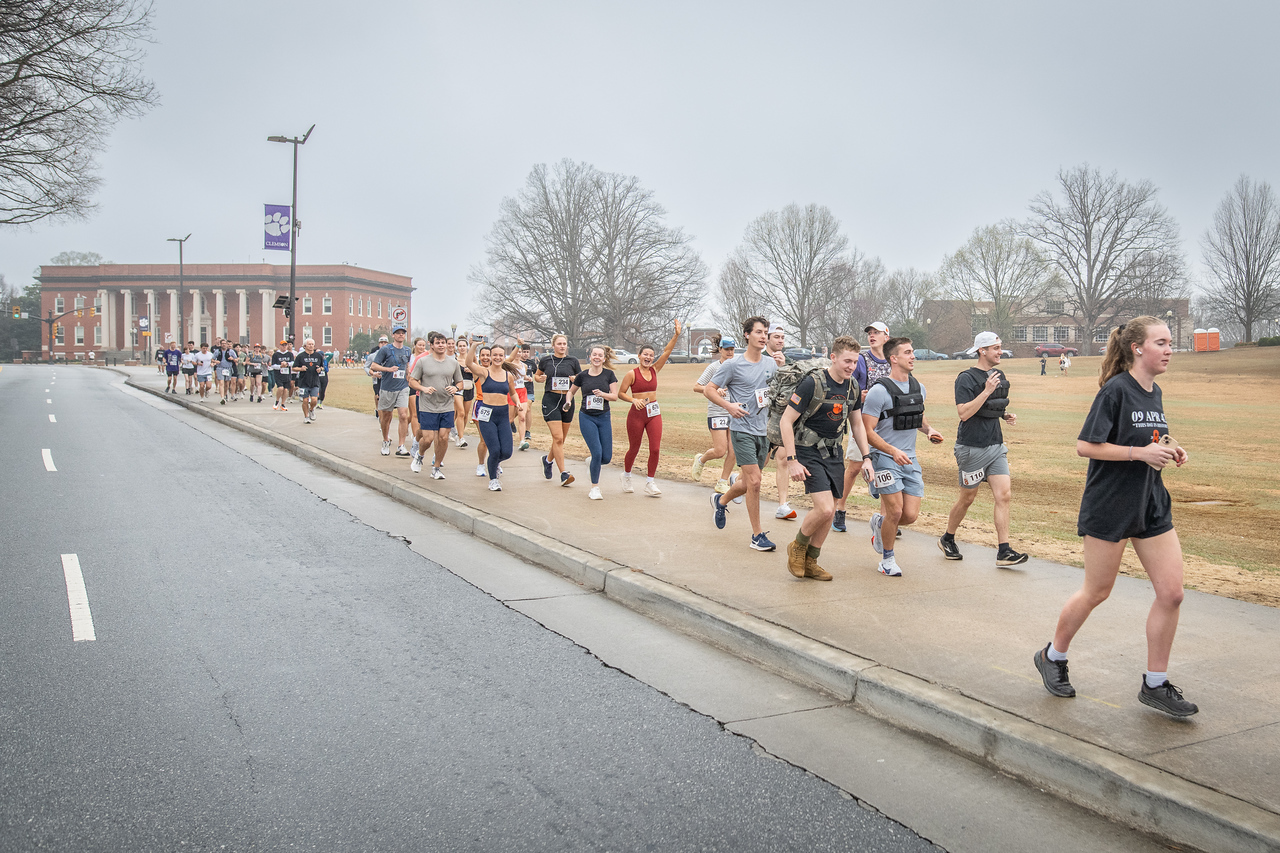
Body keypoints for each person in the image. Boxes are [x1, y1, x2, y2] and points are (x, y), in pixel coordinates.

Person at [1034, 317, 1197, 717]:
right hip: (1110, 505)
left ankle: (1155, 684)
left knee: (1172, 592)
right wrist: (1139, 454)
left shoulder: (1153, 392)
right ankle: (1053, 656)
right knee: (1097, 591)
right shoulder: (1116, 390)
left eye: (1170, 342)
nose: (1169, 349)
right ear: (1138, 348)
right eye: (1162, 342)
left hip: (1150, 503)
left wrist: (1170, 450)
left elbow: (1150, 439)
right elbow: (1085, 446)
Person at [780, 336, 875, 581]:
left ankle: (811, 561)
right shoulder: (812, 383)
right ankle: (798, 546)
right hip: (807, 450)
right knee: (823, 508)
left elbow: (857, 424)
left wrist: (867, 457)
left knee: (831, 512)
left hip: (834, 453)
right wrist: (792, 460)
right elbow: (786, 421)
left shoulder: (853, 387)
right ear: (833, 357)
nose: (851, 366)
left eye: (855, 361)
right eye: (847, 360)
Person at [938, 332, 1029, 566]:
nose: (1000, 351)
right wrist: (986, 390)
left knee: (1004, 495)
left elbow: (990, 408)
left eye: (1000, 347)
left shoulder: (999, 375)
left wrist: (1004, 414)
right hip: (971, 447)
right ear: (982, 351)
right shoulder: (966, 378)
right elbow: (964, 413)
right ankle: (948, 538)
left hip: (996, 446)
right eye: (995, 348)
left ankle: (1004, 551)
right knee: (967, 498)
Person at [861, 337, 943, 577]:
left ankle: (879, 523)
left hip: (909, 459)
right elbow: (867, 431)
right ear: (893, 358)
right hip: (884, 457)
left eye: (913, 352)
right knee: (895, 512)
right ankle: (887, 560)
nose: (913, 356)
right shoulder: (879, 391)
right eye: (907, 352)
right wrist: (891, 451)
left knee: (910, 516)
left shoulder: (919, 387)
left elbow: (917, 415)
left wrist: (929, 430)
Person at [704, 316, 779, 553]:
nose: (763, 336)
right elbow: (709, 389)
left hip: (764, 431)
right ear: (747, 335)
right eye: (758, 332)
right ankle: (757, 536)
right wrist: (730, 407)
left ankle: (721, 500)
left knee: (747, 482)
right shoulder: (732, 364)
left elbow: (777, 394)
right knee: (755, 482)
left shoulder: (771, 364)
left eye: (765, 332)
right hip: (742, 429)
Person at [833, 321, 892, 533]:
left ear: (887, 336)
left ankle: (887, 518)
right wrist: (861, 394)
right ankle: (840, 507)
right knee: (855, 466)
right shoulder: (861, 360)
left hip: (888, 423)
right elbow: (849, 385)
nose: (872, 336)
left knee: (888, 469)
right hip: (864, 420)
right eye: (870, 333)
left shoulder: (893, 359)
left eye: (877, 332)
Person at [617, 319, 682, 496]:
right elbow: (620, 393)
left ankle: (650, 482)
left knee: (655, 448)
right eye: (645, 354)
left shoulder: (654, 370)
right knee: (634, 448)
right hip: (636, 414)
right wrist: (632, 400)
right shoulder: (632, 374)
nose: (648, 357)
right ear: (639, 356)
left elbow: (667, 352)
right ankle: (627, 475)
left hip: (653, 413)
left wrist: (676, 335)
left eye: (651, 355)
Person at [465, 337, 522, 491]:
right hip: (487, 414)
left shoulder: (507, 375)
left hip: (502, 415)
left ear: (504, 357)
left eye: (500, 355)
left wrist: (517, 402)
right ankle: (493, 480)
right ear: (490, 356)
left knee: (507, 452)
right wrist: (474, 346)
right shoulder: (483, 373)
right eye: (494, 355)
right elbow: (469, 363)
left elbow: (513, 392)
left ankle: (494, 464)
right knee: (495, 449)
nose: (497, 358)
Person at [563, 345, 619, 500]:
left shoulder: (609, 375)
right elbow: (571, 391)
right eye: (594, 354)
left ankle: (591, 462)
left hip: (603, 417)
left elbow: (615, 396)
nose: (597, 357)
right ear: (590, 356)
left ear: (604, 358)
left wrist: (603, 394)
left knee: (606, 457)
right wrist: (567, 402)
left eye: (600, 355)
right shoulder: (583, 375)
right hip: (587, 417)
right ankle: (595, 488)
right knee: (597, 452)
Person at [409, 331, 464, 479]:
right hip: (427, 405)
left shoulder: (453, 363)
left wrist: (456, 388)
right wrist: (423, 388)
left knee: (444, 438)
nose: (441, 345)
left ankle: (437, 467)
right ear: (431, 345)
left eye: (443, 343)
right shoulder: (423, 362)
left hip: (446, 405)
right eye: (437, 343)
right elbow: (412, 381)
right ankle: (420, 455)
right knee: (428, 439)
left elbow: (460, 382)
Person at [691, 335, 737, 494]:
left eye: (732, 349)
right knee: (720, 451)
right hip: (717, 412)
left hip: (735, 412)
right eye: (727, 349)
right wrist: (713, 390)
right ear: (720, 350)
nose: (730, 352)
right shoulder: (713, 367)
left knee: (734, 450)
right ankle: (700, 459)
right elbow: (697, 386)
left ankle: (723, 481)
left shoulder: (738, 366)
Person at [534, 334, 581, 486]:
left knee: (560, 439)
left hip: (567, 401)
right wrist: (539, 379)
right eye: (559, 343)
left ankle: (547, 460)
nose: (562, 346)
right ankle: (563, 474)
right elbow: (537, 375)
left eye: (564, 343)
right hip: (551, 400)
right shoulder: (546, 360)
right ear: (553, 345)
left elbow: (580, 379)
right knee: (558, 438)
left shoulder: (572, 361)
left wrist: (576, 379)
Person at [765, 324, 796, 521]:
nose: (780, 340)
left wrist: (784, 366)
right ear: (767, 339)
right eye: (776, 337)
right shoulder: (759, 359)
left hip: (781, 417)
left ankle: (782, 505)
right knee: (762, 460)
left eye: (783, 337)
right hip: (762, 416)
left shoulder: (789, 361)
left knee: (783, 458)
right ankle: (738, 482)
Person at [371, 325, 413, 457]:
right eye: (398, 333)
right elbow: (374, 365)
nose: (401, 335)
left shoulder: (407, 350)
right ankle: (385, 440)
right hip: (388, 387)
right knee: (386, 417)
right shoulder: (385, 350)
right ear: (393, 335)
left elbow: (407, 365)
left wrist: (408, 373)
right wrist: (388, 369)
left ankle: (401, 445)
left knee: (403, 415)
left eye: (403, 333)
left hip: (403, 386)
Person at [292, 338, 326, 423]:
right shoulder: (300, 356)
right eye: (309, 344)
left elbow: (322, 367)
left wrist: (320, 369)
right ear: (305, 346)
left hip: (315, 381)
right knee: (305, 400)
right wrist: (301, 368)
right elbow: (294, 368)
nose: (311, 346)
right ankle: (306, 417)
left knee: (314, 399)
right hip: (304, 381)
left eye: (312, 344)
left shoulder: (318, 356)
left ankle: (311, 409)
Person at [270, 340, 293, 410]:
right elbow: (273, 365)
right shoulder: (276, 355)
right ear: (280, 346)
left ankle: (283, 404)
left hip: (287, 374)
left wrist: (287, 364)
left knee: (286, 390)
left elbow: (293, 363)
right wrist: (280, 366)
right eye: (282, 345)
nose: (284, 347)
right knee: (280, 388)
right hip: (278, 374)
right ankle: (277, 401)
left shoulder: (290, 354)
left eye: (285, 345)